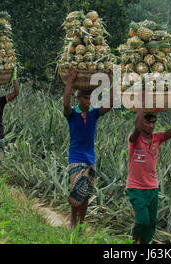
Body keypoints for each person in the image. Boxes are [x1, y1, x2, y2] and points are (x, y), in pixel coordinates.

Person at [126, 94, 171, 244]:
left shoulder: (157, 138)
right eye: (147, 122)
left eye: (153, 123)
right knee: (142, 221)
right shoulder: (134, 138)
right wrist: (143, 105)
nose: (151, 126)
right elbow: (137, 127)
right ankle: (134, 238)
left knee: (151, 224)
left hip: (152, 188)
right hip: (136, 187)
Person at [63, 68, 113, 229]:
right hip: (76, 158)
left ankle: (81, 222)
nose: (88, 100)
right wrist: (70, 82)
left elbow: (110, 104)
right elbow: (65, 103)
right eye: (85, 97)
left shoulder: (94, 114)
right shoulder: (73, 114)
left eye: (90, 97)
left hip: (90, 158)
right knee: (76, 190)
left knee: (86, 193)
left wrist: (110, 82)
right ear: (78, 98)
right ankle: (72, 219)